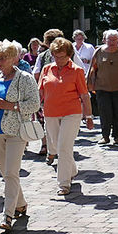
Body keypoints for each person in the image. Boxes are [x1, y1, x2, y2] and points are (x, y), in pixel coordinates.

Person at [0, 40, 41, 232]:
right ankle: (21, 203)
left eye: (3, 58)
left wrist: (12, 106)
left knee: (10, 173)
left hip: (16, 132)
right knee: (5, 173)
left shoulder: (25, 78)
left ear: (13, 58)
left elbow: (34, 105)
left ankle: (7, 215)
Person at [38, 38, 93, 195]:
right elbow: (40, 91)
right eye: (56, 56)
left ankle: (64, 183)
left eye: (62, 56)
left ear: (69, 55)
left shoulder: (77, 71)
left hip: (72, 113)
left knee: (63, 147)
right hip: (50, 112)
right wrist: (32, 110)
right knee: (56, 146)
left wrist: (88, 116)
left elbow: (84, 94)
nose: (59, 59)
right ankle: (72, 169)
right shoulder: (47, 69)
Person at [87, 29, 118, 145]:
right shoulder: (99, 51)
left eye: (114, 40)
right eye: (109, 40)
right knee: (105, 112)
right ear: (105, 40)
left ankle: (117, 136)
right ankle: (105, 136)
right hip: (102, 88)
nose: (112, 42)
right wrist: (89, 85)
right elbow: (92, 69)